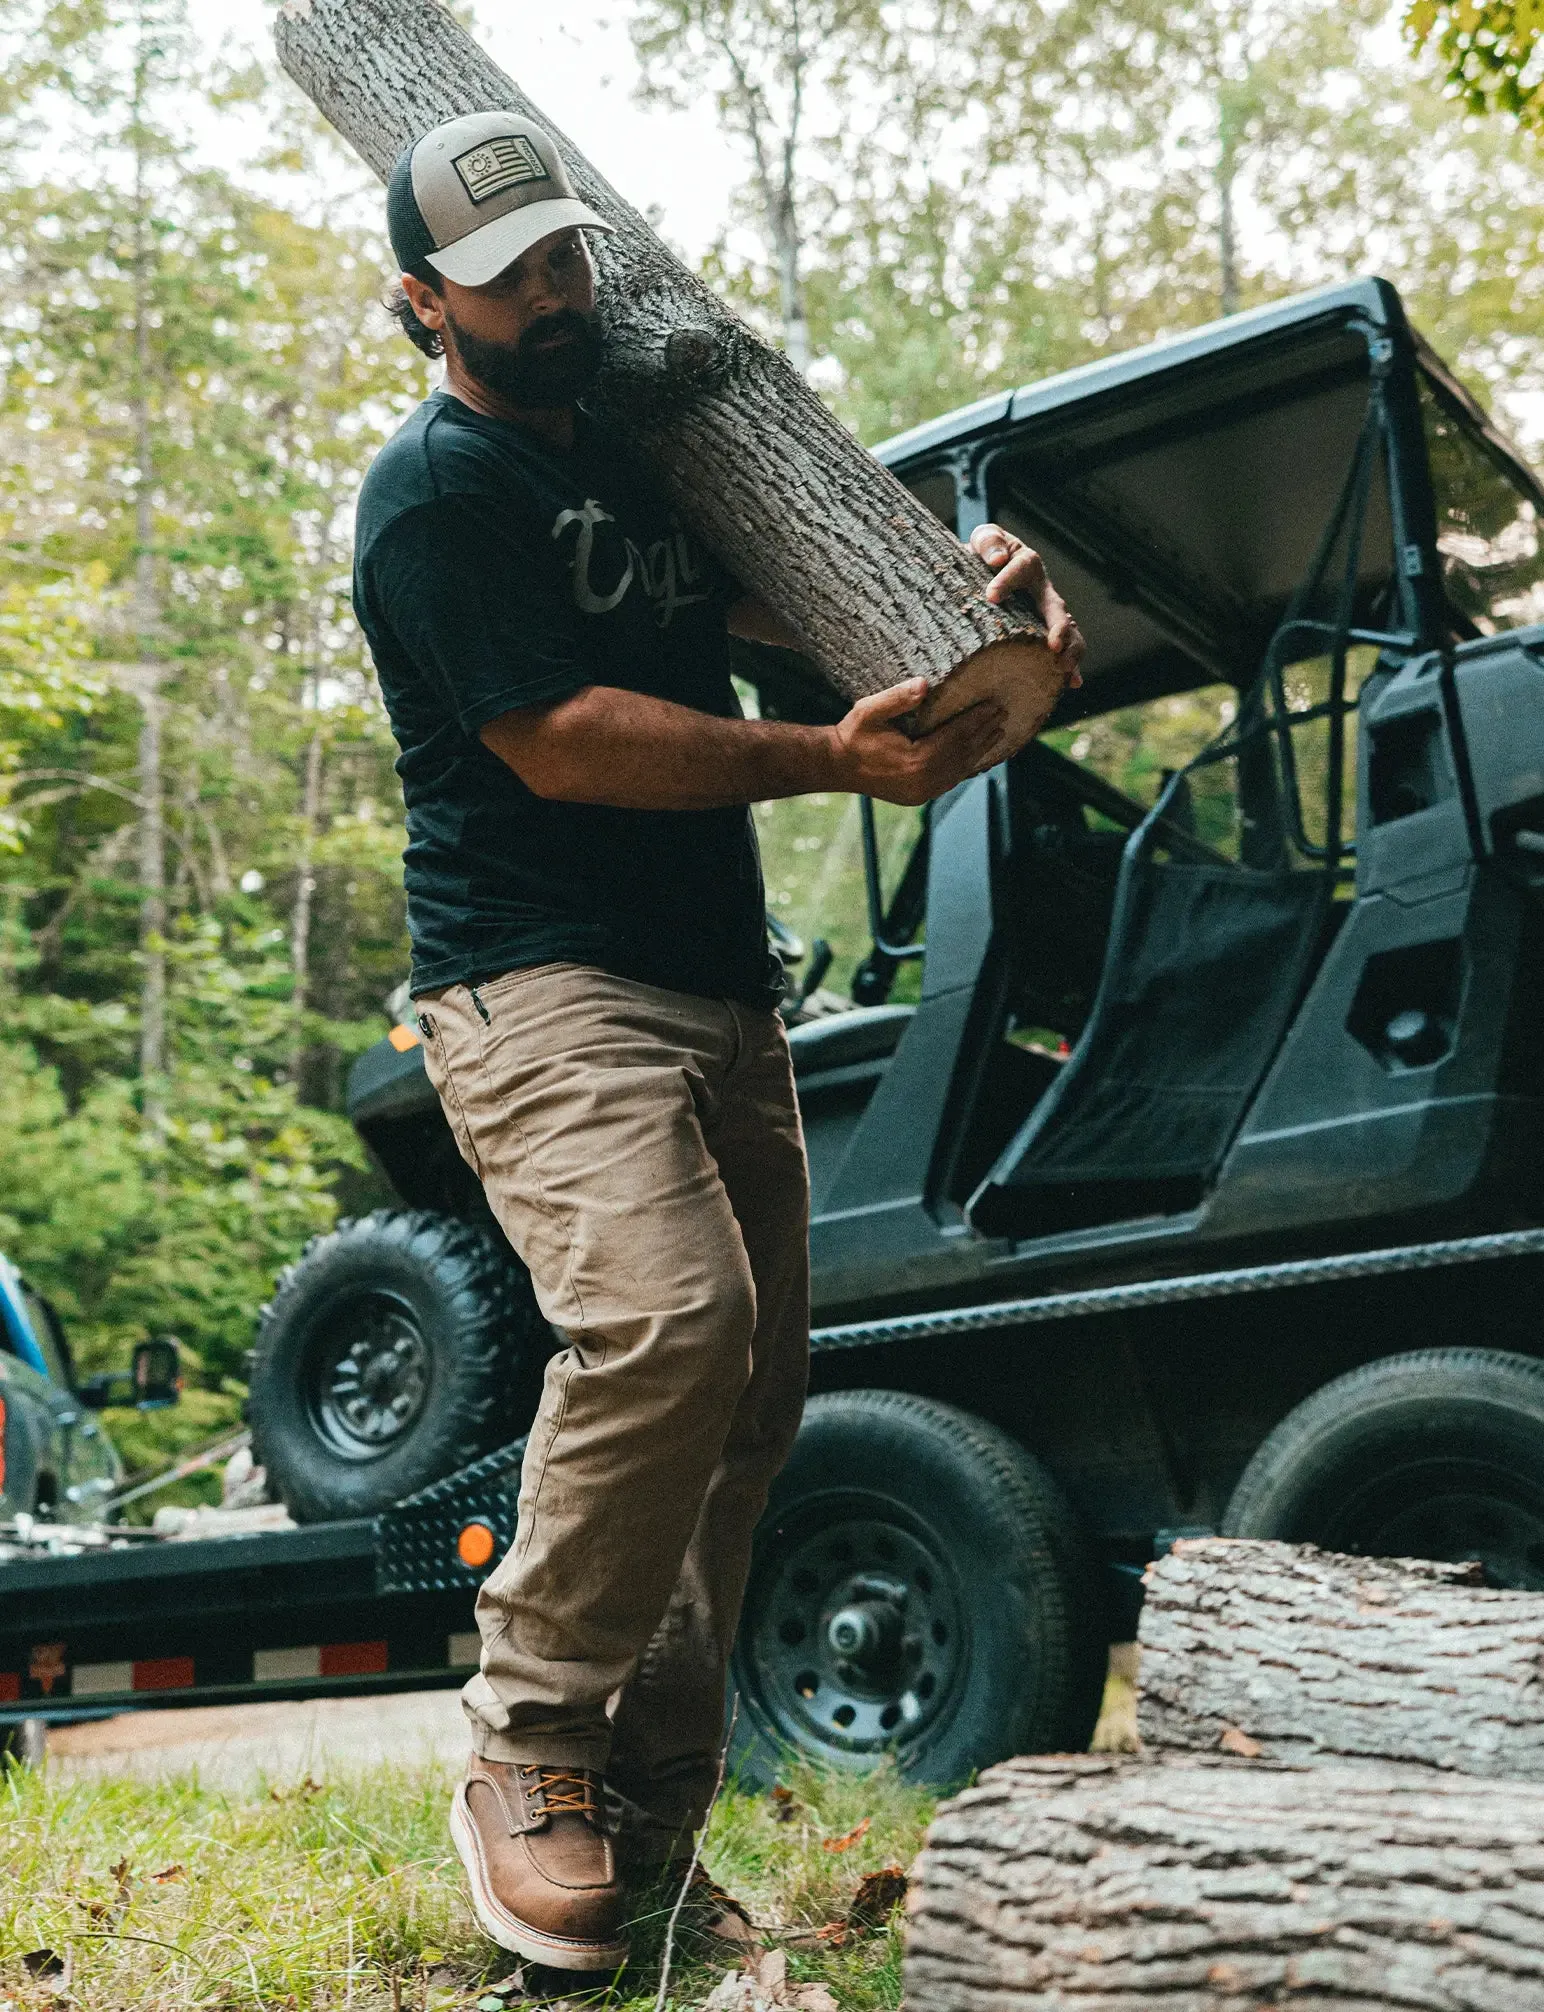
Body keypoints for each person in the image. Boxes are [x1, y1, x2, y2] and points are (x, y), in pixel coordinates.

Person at [354, 108, 1085, 1973]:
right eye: (511, 274)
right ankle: (527, 1743)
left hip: (716, 990)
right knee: (667, 1319)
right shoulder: (434, 493)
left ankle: (655, 1845)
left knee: (746, 1409)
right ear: (424, 301)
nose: (555, 292)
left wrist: (959, 597)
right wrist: (830, 761)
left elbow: (801, 623)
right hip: (537, 984)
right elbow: (567, 736)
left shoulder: (648, 462)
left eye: (568, 254)